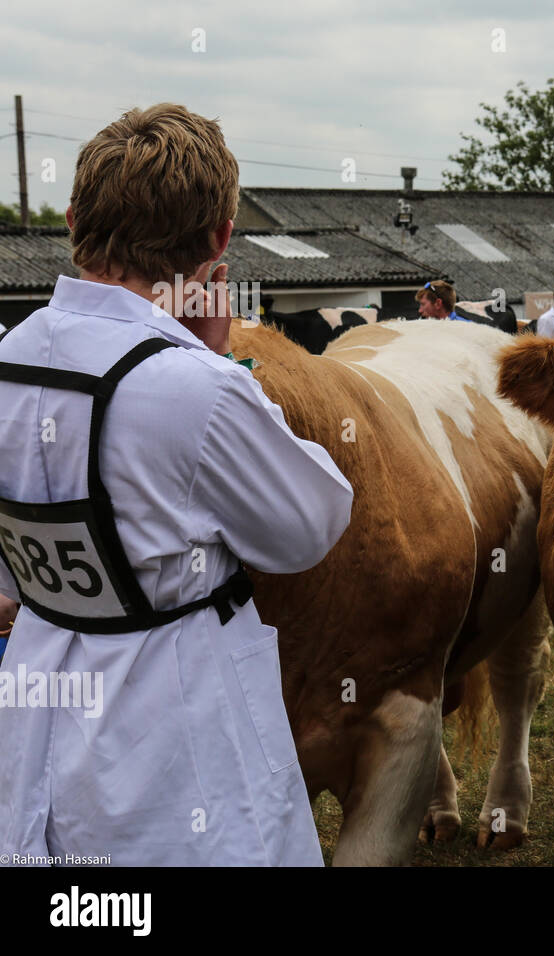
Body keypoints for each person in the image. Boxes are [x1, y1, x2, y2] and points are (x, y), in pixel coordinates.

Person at [0, 104, 354, 866]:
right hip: (171, 736)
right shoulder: (196, 387)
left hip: (34, 705)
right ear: (220, 239)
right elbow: (310, 526)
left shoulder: (9, 358)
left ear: (72, 221)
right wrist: (227, 372)